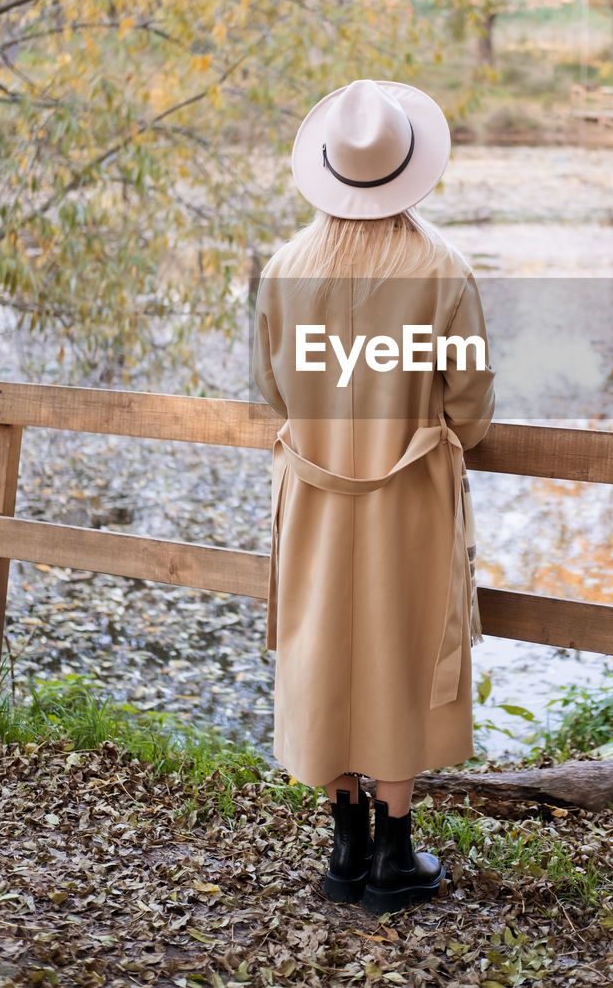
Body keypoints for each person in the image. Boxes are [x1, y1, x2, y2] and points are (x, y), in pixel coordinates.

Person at [251, 78, 495, 913]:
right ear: (409, 169)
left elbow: (272, 390)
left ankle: (342, 844)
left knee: (324, 643)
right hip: (408, 493)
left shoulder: (285, 269)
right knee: (402, 645)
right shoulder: (440, 269)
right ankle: (395, 854)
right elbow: (470, 404)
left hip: (315, 491)